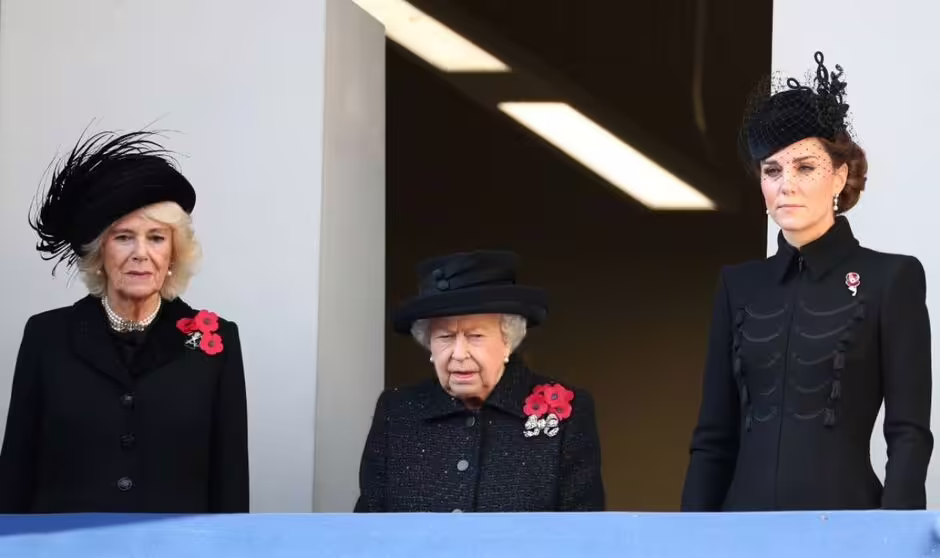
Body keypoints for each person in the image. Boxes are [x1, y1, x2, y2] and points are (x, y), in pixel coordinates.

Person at [681, 51, 932, 511]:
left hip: (848, 529)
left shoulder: (891, 278)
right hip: (742, 532)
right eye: (771, 170)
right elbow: (713, 439)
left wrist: (895, 539)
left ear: (839, 176)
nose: (786, 184)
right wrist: (691, 540)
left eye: (805, 167)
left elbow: (908, 432)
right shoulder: (739, 286)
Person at [0, 130, 249, 513]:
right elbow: (14, 475)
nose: (141, 254)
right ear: (100, 252)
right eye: (123, 237)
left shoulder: (215, 341)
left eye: (156, 238)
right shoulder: (45, 337)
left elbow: (230, 484)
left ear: (173, 255)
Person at [354, 250, 604, 512]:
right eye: (445, 337)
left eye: (475, 336)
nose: (459, 354)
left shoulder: (568, 414)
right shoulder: (397, 411)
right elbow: (366, 529)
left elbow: (584, 534)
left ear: (508, 339)